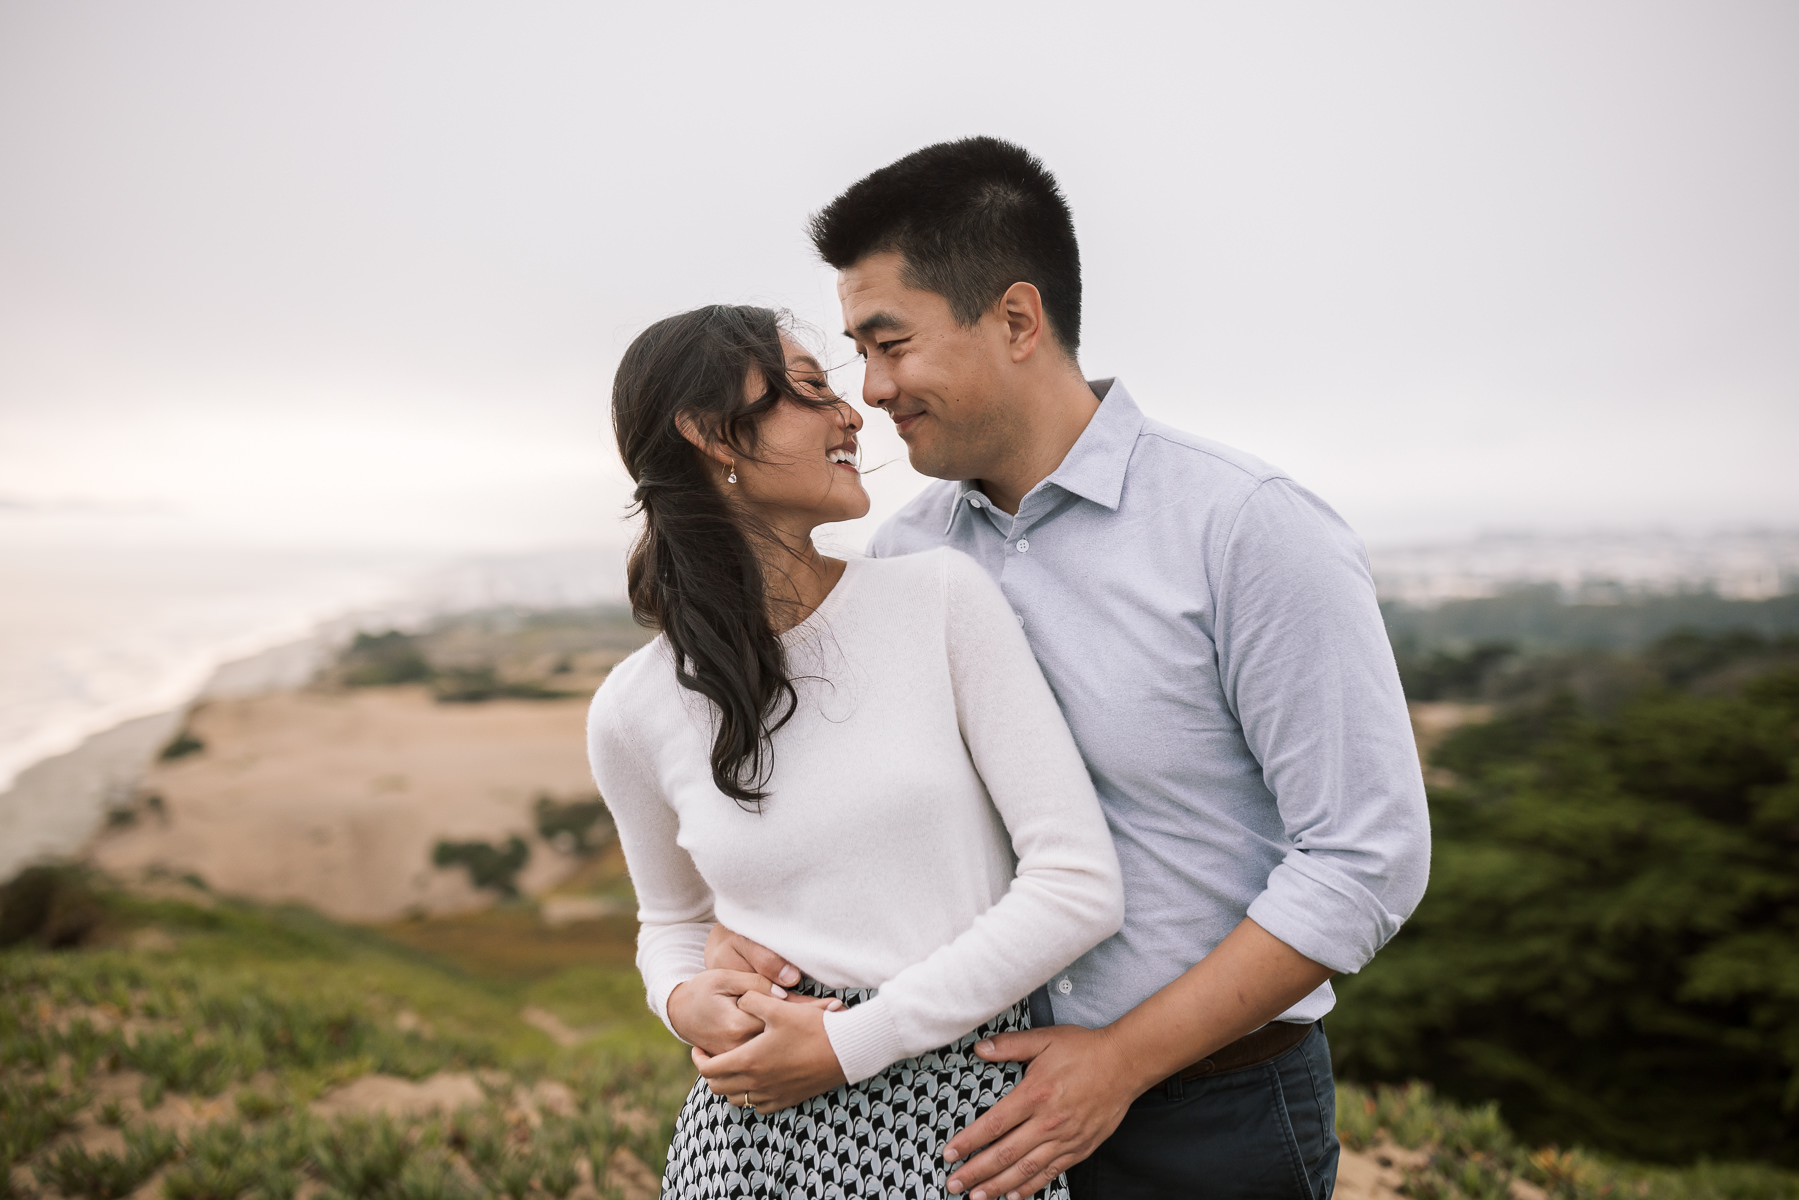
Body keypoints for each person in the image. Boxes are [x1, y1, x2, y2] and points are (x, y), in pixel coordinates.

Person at [707, 138, 1433, 1200]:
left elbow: (1364, 858)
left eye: (889, 342)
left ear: (1013, 319)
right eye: (856, 352)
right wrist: (733, 952)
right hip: (951, 1108)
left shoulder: (1241, 526)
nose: (870, 390)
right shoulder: (905, 559)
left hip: (1211, 1116)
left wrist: (1123, 1058)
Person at [587, 303, 1125, 1198]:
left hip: (962, 1124)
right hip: (748, 1142)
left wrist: (847, 1045)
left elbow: (1077, 885)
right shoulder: (631, 708)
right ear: (711, 435)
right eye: (807, 392)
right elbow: (672, 923)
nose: (852, 415)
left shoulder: (937, 599)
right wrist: (682, 1001)